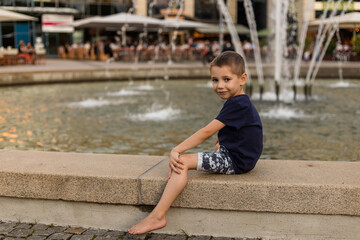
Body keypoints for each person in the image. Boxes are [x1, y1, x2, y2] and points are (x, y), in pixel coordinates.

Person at [128, 51, 263, 235]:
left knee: (182, 162)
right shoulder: (240, 101)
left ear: (242, 79)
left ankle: (158, 216)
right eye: (215, 80)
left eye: (226, 79)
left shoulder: (237, 104)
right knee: (208, 147)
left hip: (236, 161)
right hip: (239, 156)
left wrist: (177, 149)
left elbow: (206, 132)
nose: (220, 85)